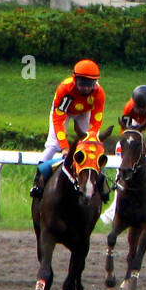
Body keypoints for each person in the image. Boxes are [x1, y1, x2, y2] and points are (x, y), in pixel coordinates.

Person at [31, 59, 106, 199]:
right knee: (53, 144)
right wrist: (65, 147)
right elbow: (59, 120)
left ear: (95, 83)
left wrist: (92, 138)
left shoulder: (99, 93)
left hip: (84, 112)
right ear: (75, 79)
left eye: (89, 84)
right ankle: (37, 181)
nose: (85, 88)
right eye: (82, 83)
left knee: (91, 145)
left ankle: (101, 184)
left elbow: (96, 120)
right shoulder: (65, 89)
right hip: (62, 113)